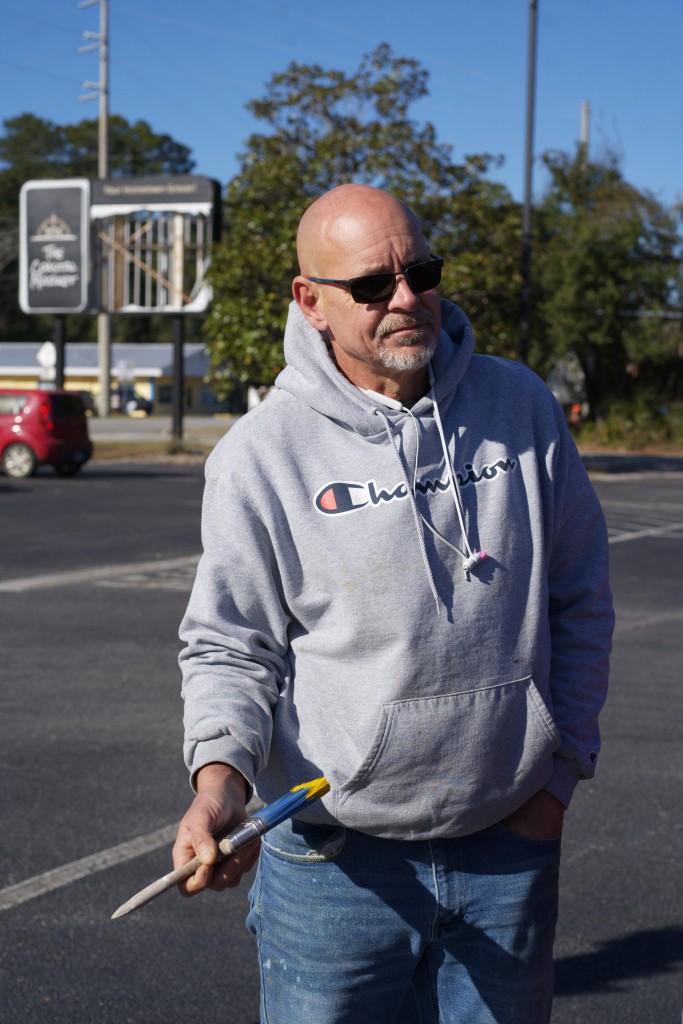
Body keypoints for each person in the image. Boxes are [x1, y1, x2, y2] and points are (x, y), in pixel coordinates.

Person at [173, 184, 614, 1023]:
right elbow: (232, 646)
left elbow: (580, 597)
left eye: (421, 271)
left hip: (508, 845)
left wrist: (557, 778)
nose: (406, 299)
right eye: (372, 286)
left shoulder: (519, 407)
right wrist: (218, 780)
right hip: (333, 864)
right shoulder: (261, 456)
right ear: (311, 303)